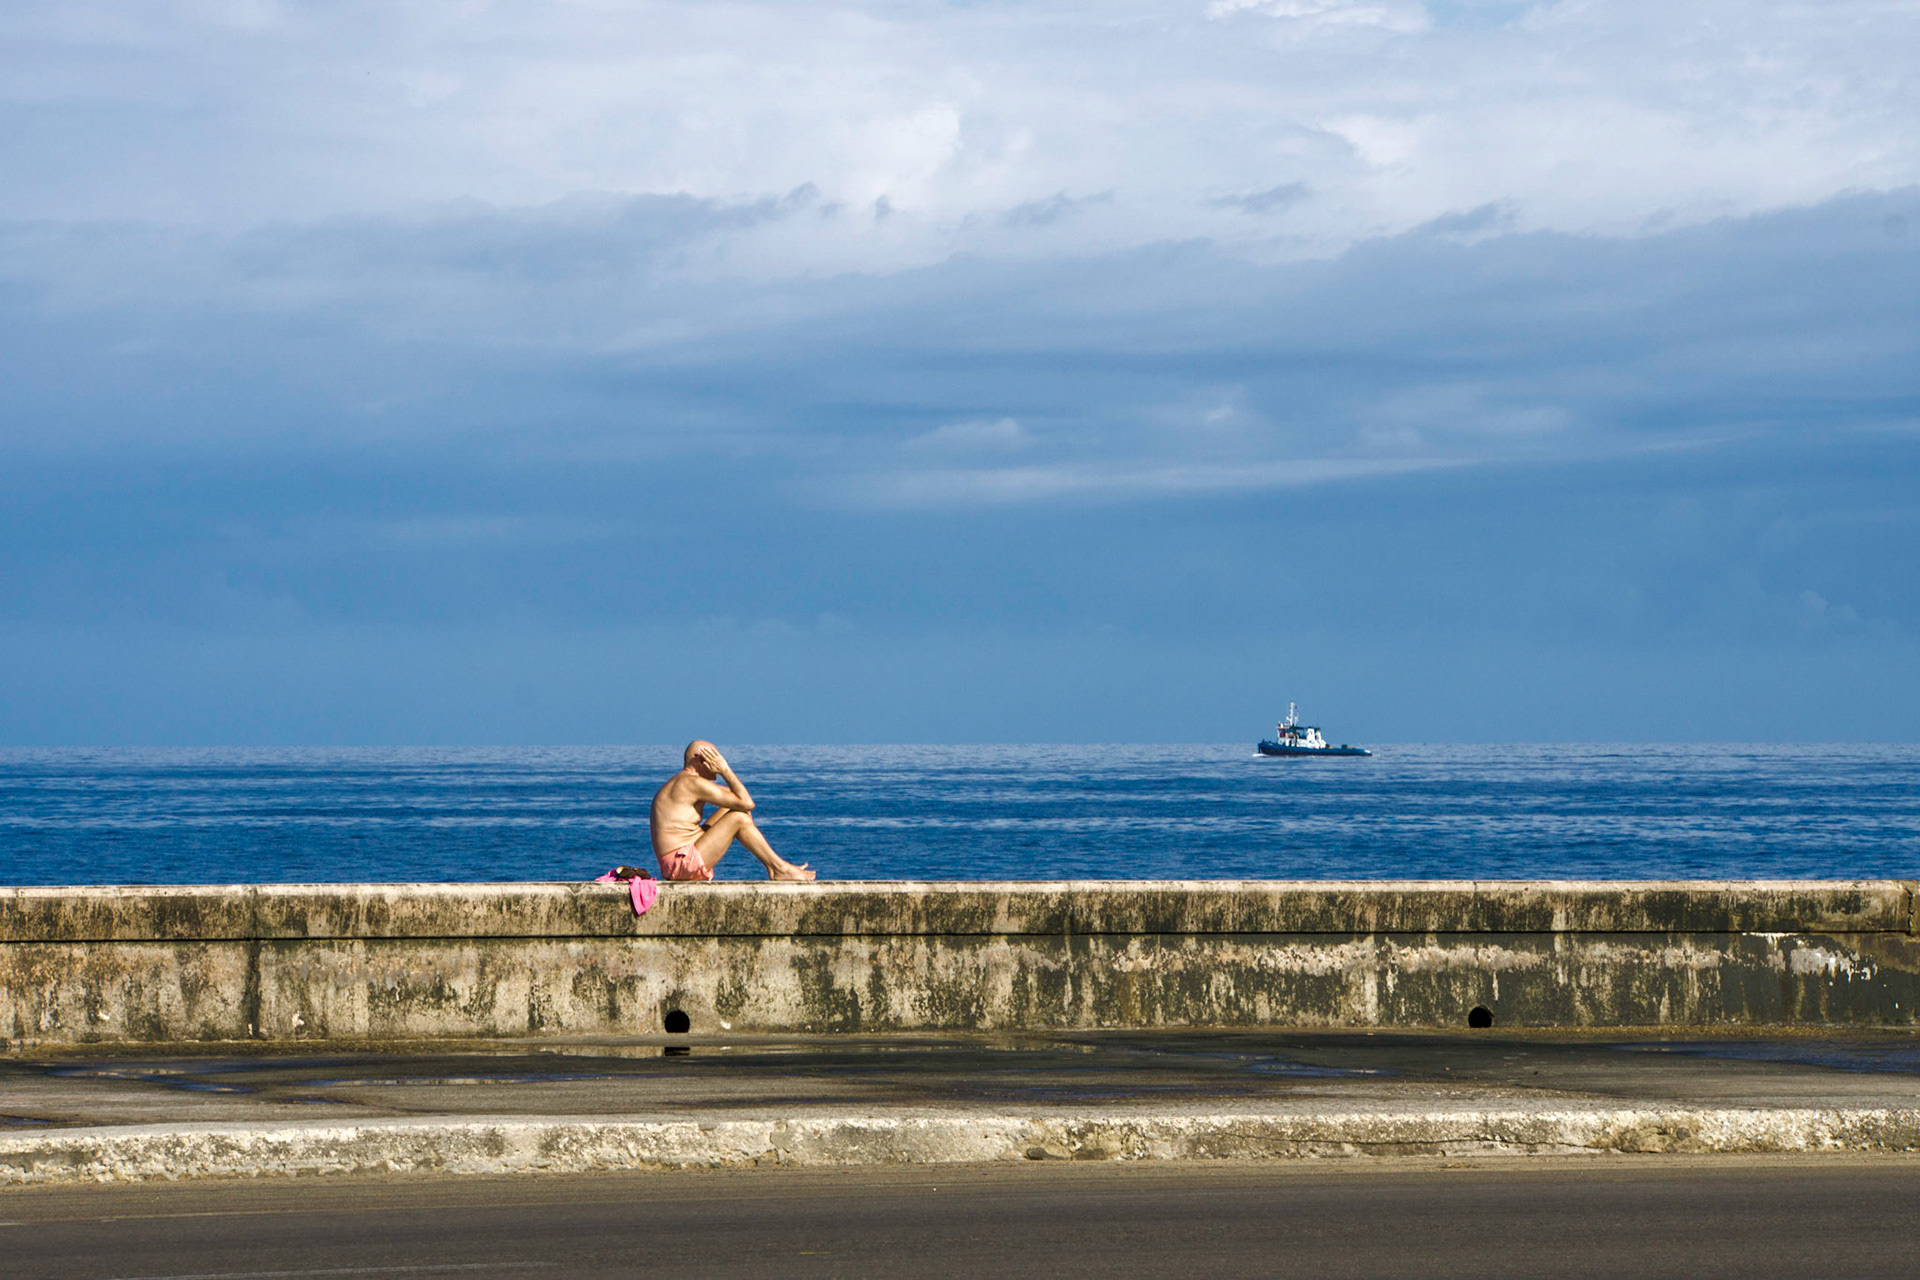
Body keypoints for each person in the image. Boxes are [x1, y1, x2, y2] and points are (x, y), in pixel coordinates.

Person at [649, 741, 815, 882]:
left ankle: (775, 866)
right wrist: (725, 770)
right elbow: (748, 803)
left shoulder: (684, 781)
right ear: (699, 760)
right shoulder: (691, 783)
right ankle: (778, 869)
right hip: (680, 864)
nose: (719, 761)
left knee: (734, 809)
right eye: (714, 757)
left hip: (682, 855)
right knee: (739, 818)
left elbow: (740, 801)